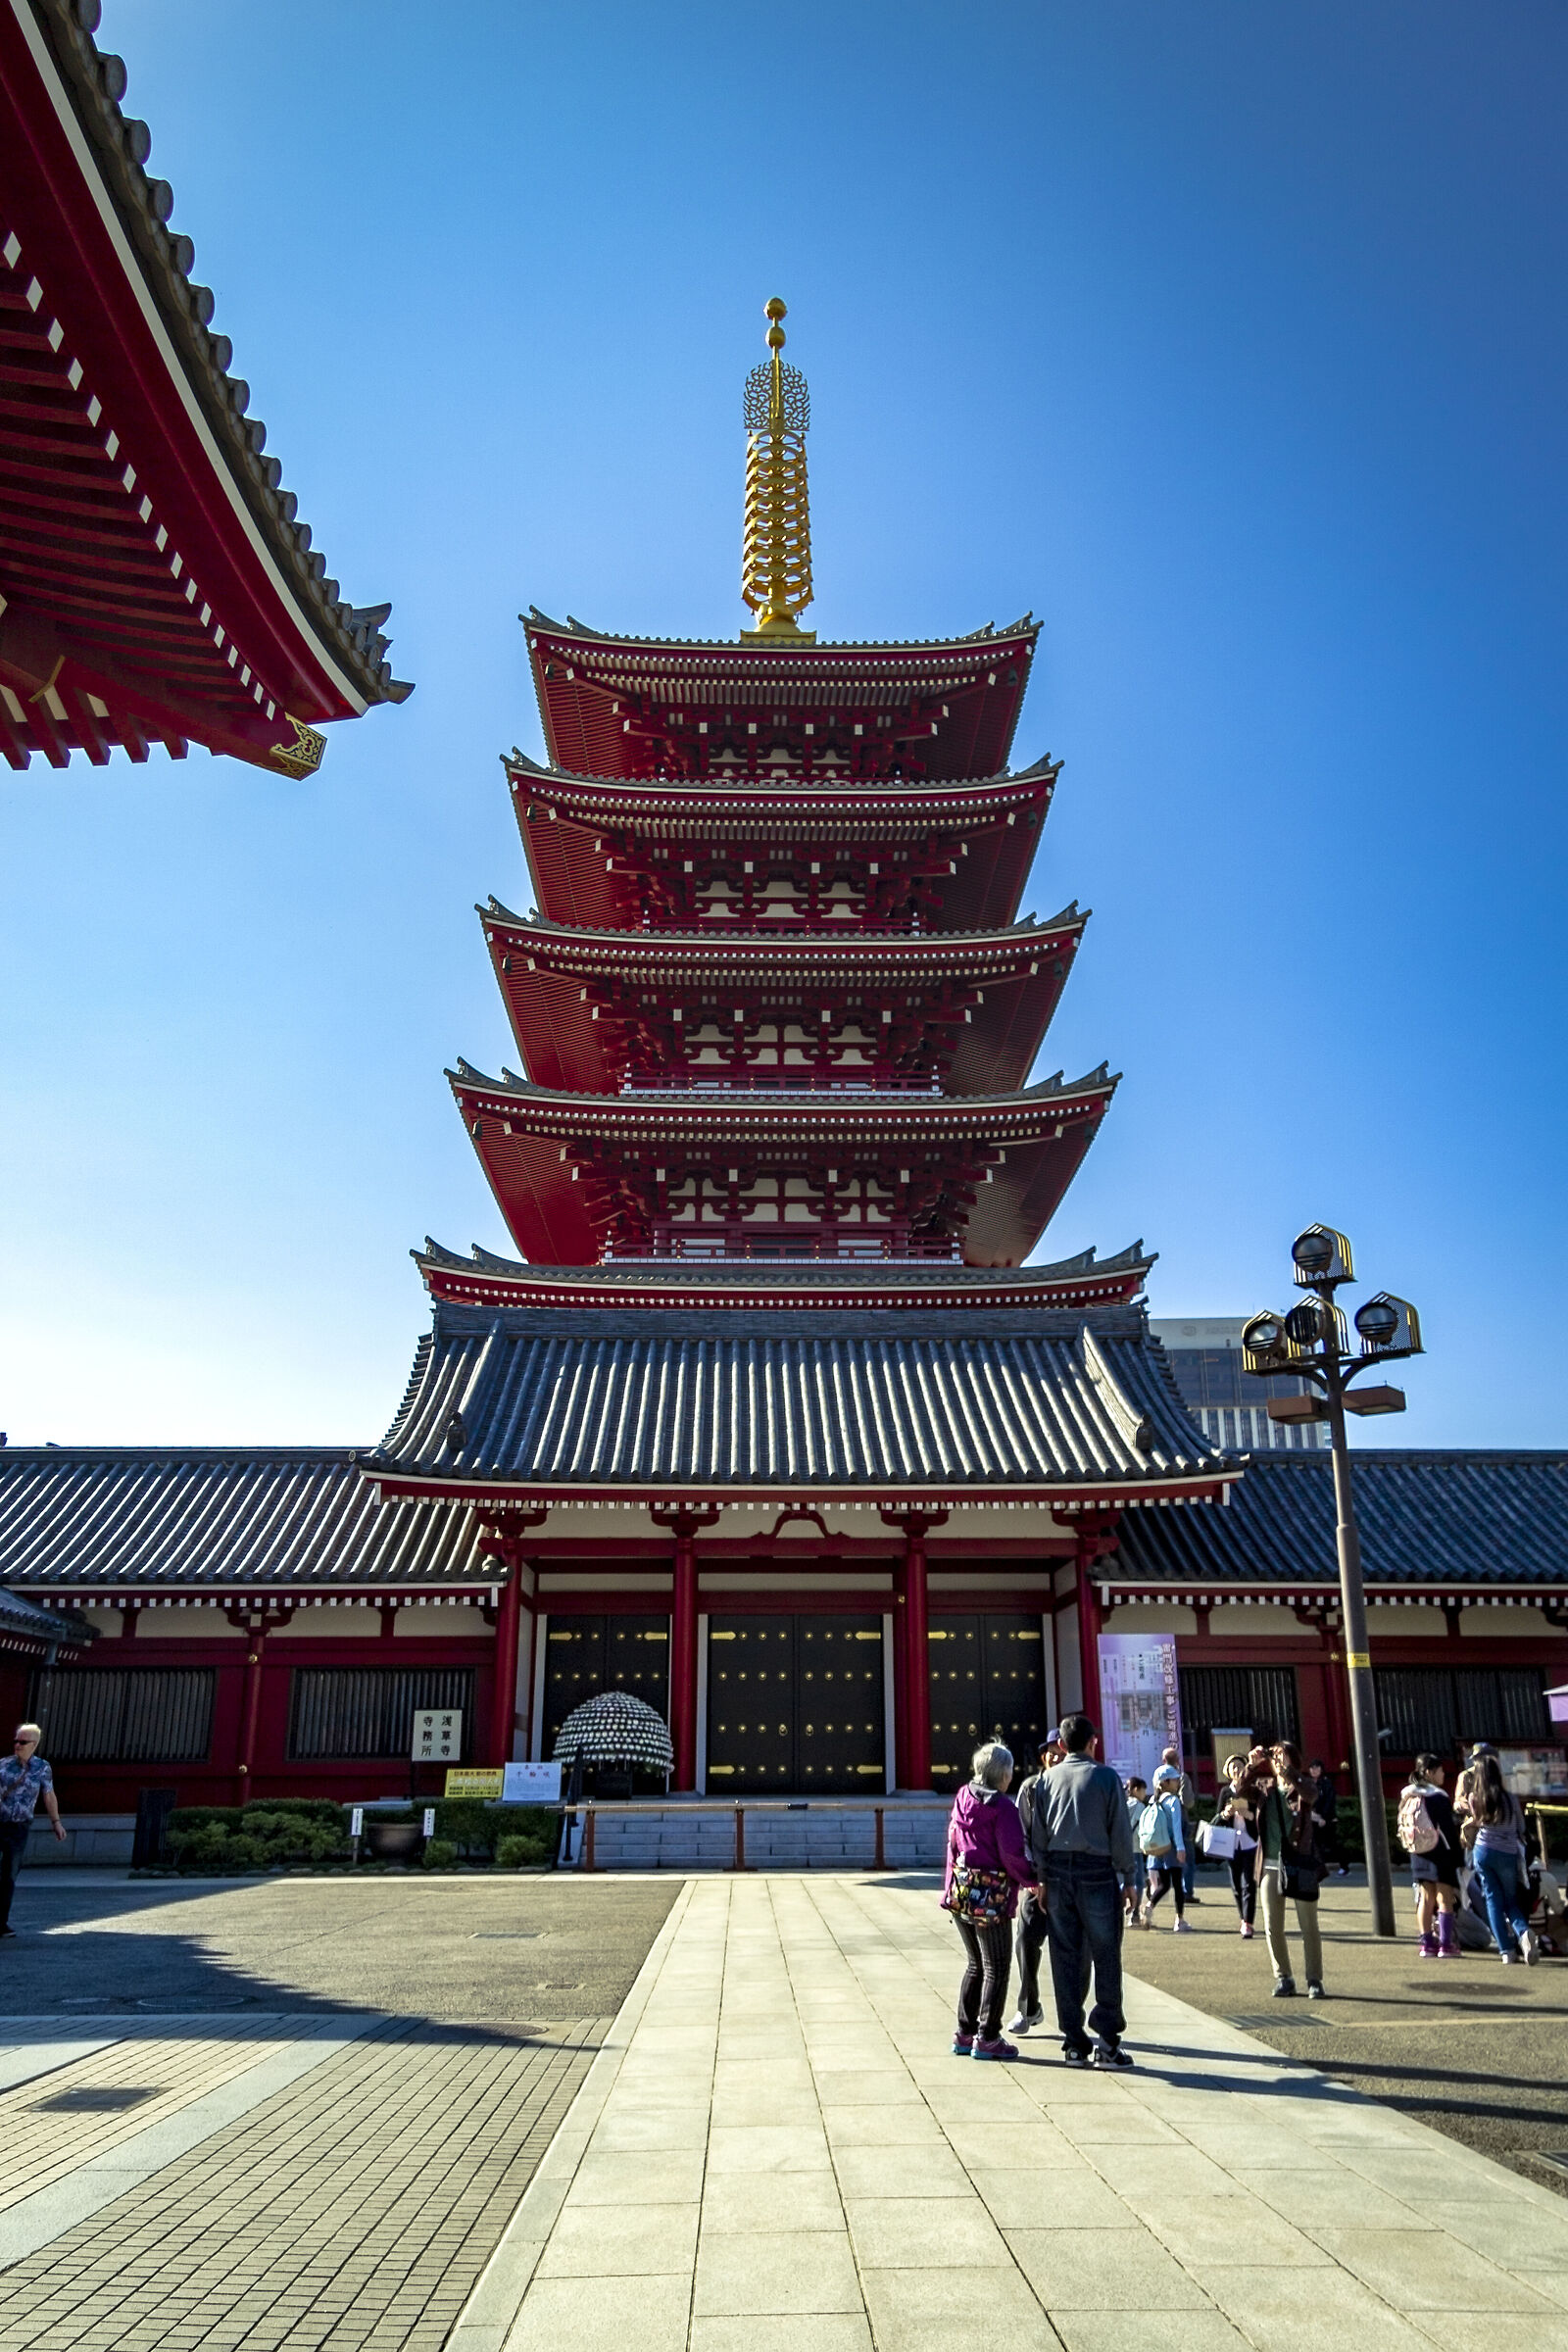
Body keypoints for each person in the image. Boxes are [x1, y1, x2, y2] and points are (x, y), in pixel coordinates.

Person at [1025, 1711, 1137, 2069]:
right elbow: (1120, 1831)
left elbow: (1038, 1836)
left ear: (1060, 1745)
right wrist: (1129, 1877)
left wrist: (1042, 1879)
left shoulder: (1046, 1780)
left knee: (1064, 1956)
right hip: (1097, 1871)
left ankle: (1074, 2042)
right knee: (1106, 1954)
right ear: (1093, 1742)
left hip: (1057, 1873)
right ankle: (1108, 2041)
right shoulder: (1106, 1777)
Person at [942, 1740, 1037, 2056]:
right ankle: (988, 2036)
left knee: (975, 1964)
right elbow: (1011, 1854)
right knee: (997, 1967)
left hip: (962, 1891)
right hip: (990, 1896)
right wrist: (1032, 1879)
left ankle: (964, 2033)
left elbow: (953, 1844)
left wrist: (948, 1888)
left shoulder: (962, 1797)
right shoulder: (1003, 1808)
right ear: (1004, 1775)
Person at [1257, 1741, 1327, 1997]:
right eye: (1274, 1756)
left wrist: (1290, 1772)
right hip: (1270, 1865)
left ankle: (1314, 1979)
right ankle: (1283, 1977)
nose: (1277, 1760)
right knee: (1272, 1926)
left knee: (1309, 1925)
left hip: (1300, 1864)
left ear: (1293, 1760)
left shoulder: (1302, 1785)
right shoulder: (1264, 1787)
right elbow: (1240, 1789)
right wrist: (1252, 1765)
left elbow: (1311, 1794)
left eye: (1282, 1756)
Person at [1458, 1750, 1537, 1965]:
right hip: (1507, 1852)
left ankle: (1506, 1951)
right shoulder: (1510, 1799)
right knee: (1511, 1900)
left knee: (1492, 1900)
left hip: (1483, 1851)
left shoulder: (1475, 1798)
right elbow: (1521, 1827)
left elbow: (1477, 1821)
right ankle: (1523, 1932)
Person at [1008, 1735, 1062, 2034]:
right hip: (1037, 1878)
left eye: (1061, 1752)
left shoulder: (1076, 1786)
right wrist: (1032, 1877)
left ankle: (1072, 2016)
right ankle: (1028, 2008)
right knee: (1026, 1940)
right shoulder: (1031, 1788)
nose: (1056, 1758)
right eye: (1051, 1753)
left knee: (1072, 1948)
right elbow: (1021, 1834)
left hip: (1068, 1876)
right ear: (1043, 1757)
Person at [0, 1722, 67, 1936]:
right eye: (16, 1741)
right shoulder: (3, 1765)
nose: (17, 1745)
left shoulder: (42, 1768)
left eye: (23, 1742)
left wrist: (56, 1822)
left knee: (9, 1875)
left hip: (19, 1827)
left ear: (34, 1744)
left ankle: (1, 1923)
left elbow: (49, 1794)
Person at [1397, 1751, 1461, 1959]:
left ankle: (1426, 1944)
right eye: (1440, 1770)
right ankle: (1445, 1944)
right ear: (1429, 1772)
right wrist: (1458, 1857)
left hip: (1418, 1851)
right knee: (1445, 1897)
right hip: (1440, 1850)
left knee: (1425, 1898)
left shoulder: (1408, 1795)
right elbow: (1448, 1829)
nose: (1443, 1774)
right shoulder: (1438, 1797)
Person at [1139, 1765, 1191, 1932]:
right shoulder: (1173, 1801)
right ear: (1166, 1782)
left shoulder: (1154, 1800)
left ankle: (1149, 1906)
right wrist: (1180, 1848)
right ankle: (1179, 1920)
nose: (1177, 1782)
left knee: (1165, 1884)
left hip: (1158, 1848)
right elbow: (1176, 1827)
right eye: (1175, 1780)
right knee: (1177, 1884)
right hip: (1172, 1848)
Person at [1215, 1753, 1259, 1939]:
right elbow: (1218, 1817)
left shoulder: (1252, 1790)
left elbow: (1259, 1815)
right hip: (1231, 1843)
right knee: (1236, 1883)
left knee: (1249, 1883)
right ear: (1228, 1771)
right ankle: (1242, 1918)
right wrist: (1226, 1814)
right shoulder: (1225, 1792)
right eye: (1232, 1767)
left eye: (1240, 1766)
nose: (1236, 1769)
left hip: (1250, 1841)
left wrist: (1247, 1814)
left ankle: (1248, 1922)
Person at [1160, 1744, 1200, 1902]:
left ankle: (1158, 1884)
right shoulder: (1181, 1777)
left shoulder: (1159, 1776)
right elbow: (1188, 1802)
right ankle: (1186, 1891)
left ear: (1163, 1760)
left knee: (1163, 1855)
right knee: (1188, 1858)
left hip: (1161, 1821)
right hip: (1181, 1820)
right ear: (1178, 1760)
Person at [1307, 1760, 1345, 1876]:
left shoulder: (1326, 1783)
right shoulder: (1308, 1783)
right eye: (1312, 1768)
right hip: (1312, 1817)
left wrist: (1324, 1817)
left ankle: (1344, 1866)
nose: (1314, 1770)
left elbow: (1329, 1801)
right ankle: (1319, 1868)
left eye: (1317, 1768)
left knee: (1332, 1843)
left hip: (1326, 1818)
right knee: (1315, 1844)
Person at [1123, 1776, 1150, 1926]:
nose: (1144, 1794)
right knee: (1138, 1882)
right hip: (1136, 1848)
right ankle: (1134, 1915)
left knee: (1124, 1880)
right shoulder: (1140, 1807)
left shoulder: (1123, 1804)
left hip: (1122, 1847)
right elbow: (1143, 1829)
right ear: (1136, 1790)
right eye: (1143, 1790)